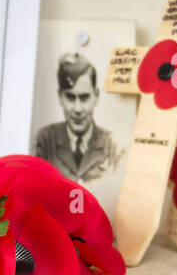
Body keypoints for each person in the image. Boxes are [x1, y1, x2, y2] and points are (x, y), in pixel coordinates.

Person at [35, 53, 123, 183]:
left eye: (84, 97)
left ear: (96, 96)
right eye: (70, 97)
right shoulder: (45, 140)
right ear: (60, 97)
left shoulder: (112, 145)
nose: (77, 109)